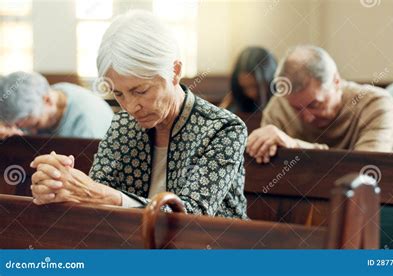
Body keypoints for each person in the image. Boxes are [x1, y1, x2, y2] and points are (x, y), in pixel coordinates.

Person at [29, 11, 248, 219]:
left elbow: (191, 217)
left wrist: (104, 196)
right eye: (119, 94)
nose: (131, 107)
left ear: (175, 71)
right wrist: (59, 186)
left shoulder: (223, 129)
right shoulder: (123, 124)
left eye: (140, 91)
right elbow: (96, 193)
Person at [247, 45, 393, 163]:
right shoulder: (280, 106)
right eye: (296, 108)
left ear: (336, 81)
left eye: (315, 105)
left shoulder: (376, 105)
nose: (307, 118)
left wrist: (294, 145)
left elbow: (363, 171)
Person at [0, 71, 113, 139]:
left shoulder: (88, 123)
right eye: (23, 127)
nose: (32, 132)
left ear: (48, 101)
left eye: (36, 125)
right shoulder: (49, 93)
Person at [220, 46, 277, 113]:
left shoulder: (282, 104)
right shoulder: (236, 101)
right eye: (244, 88)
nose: (251, 94)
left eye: (256, 86)